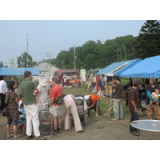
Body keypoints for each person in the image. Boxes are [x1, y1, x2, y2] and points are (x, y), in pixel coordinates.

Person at [20, 71, 45, 140]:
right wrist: (34, 93)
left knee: (28, 119)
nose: (32, 76)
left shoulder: (22, 82)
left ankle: (29, 134)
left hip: (25, 103)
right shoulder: (31, 83)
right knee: (35, 119)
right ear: (29, 75)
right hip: (31, 103)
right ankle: (37, 135)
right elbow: (36, 91)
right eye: (31, 75)